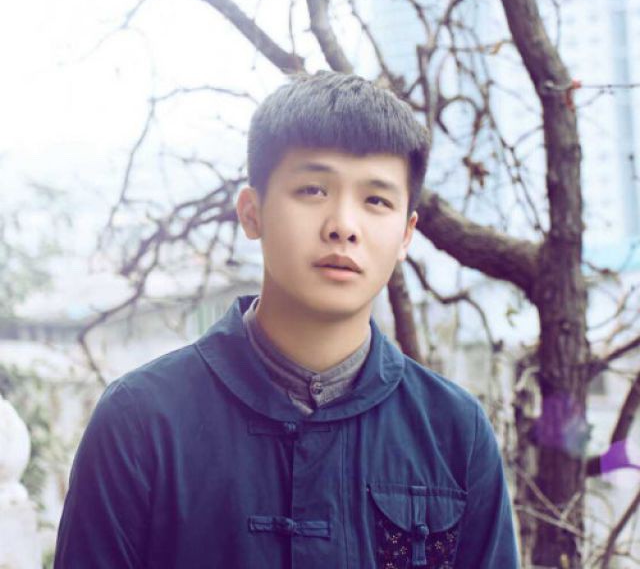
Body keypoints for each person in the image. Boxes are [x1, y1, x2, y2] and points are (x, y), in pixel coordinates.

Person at [54, 72, 519, 568]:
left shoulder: (455, 432)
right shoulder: (141, 420)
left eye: (376, 200)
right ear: (251, 213)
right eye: (313, 190)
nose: (343, 226)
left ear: (406, 234)